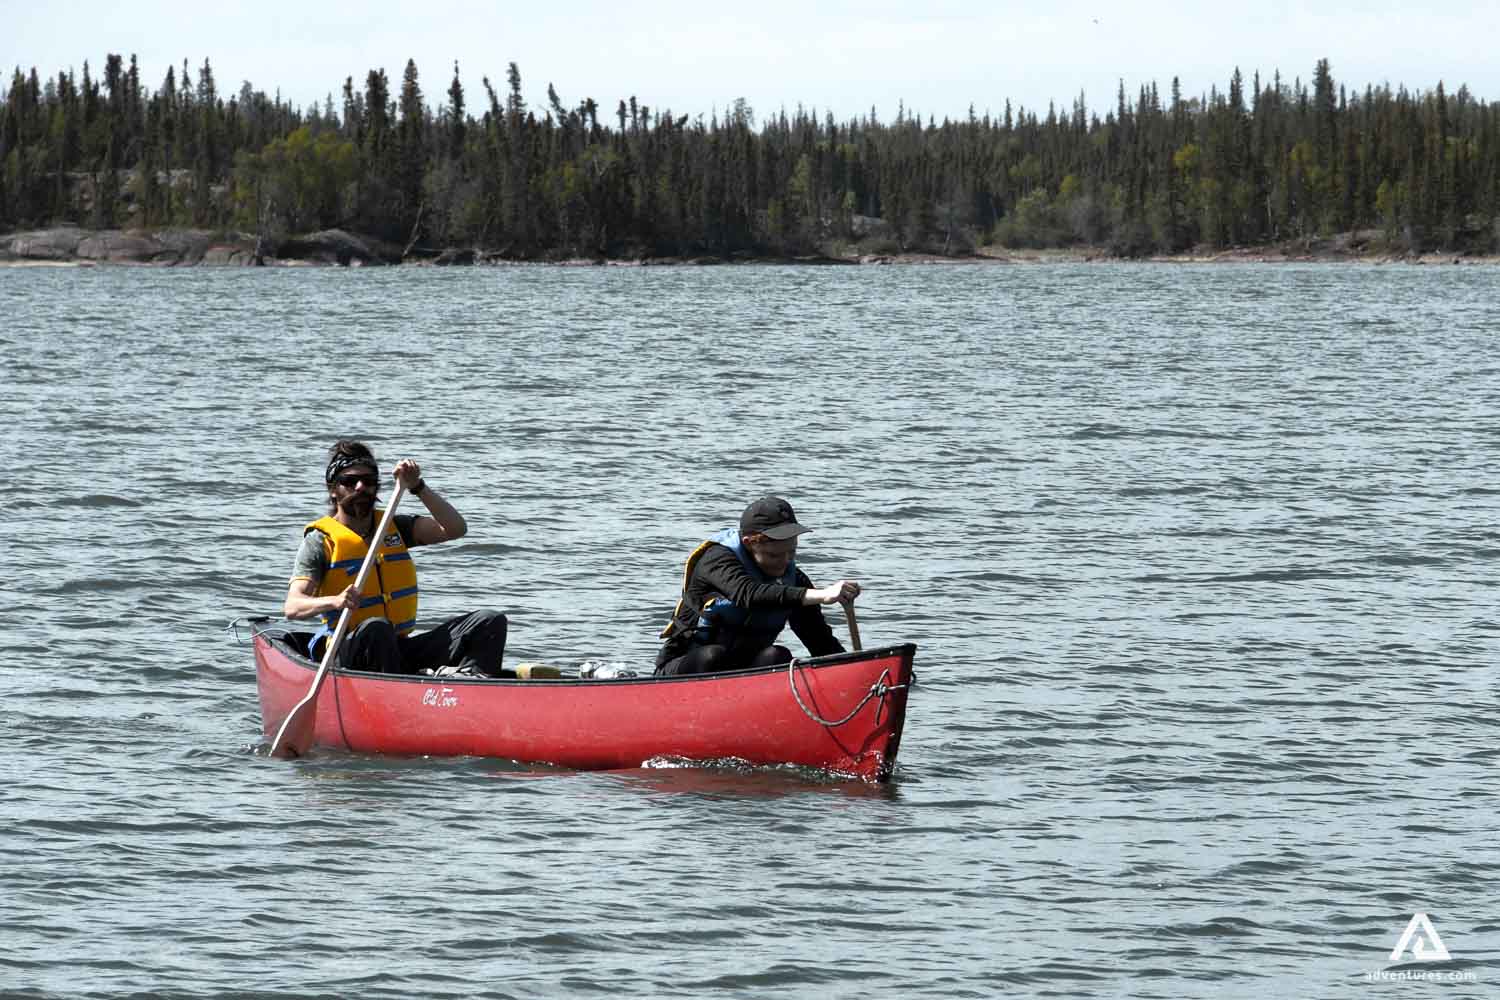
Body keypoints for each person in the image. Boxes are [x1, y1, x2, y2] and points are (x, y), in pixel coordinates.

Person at [283, 440, 509, 677]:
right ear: (333, 489)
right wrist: (336, 601)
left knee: (489, 621)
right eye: (350, 481)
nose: (360, 487)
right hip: (351, 651)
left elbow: (455, 528)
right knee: (376, 627)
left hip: (400, 648)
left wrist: (417, 486)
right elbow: (293, 606)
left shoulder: (394, 527)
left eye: (369, 481)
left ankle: (471, 685)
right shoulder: (320, 541)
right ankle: (398, 692)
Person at [656, 496, 861, 676]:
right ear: (748, 543)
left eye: (791, 553)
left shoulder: (794, 579)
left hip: (744, 672)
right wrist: (823, 595)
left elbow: (819, 642)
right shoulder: (717, 561)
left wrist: (855, 674)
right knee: (712, 656)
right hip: (685, 667)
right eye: (774, 555)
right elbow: (748, 594)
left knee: (778, 655)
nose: (784, 562)